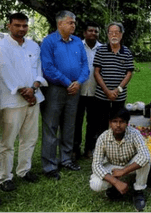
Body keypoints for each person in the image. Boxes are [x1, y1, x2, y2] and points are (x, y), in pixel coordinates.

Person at [0, 13, 48, 192]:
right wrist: (27, 93)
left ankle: (24, 170)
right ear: (9, 26)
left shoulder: (32, 45)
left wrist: (35, 87)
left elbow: (39, 68)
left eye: (24, 25)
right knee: (7, 142)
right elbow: (6, 74)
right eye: (17, 25)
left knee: (30, 138)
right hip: (12, 101)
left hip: (34, 97)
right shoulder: (1, 47)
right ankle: (4, 177)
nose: (21, 29)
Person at [40, 10, 89, 180]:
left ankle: (66, 159)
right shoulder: (49, 41)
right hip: (55, 89)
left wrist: (79, 82)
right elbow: (48, 68)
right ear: (59, 24)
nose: (73, 25)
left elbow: (85, 65)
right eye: (70, 22)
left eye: (74, 22)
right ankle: (50, 165)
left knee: (69, 125)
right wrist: (68, 82)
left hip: (75, 89)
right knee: (51, 126)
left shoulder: (77, 42)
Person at [90, 108, 151, 211]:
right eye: (114, 121)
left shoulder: (134, 134)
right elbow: (96, 165)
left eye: (122, 122)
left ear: (127, 123)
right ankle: (113, 188)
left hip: (129, 164)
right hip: (112, 166)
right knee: (95, 184)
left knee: (146, 159)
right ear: (110, 123)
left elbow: (145, 156)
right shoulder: (103, 138)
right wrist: (115, 181)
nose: (118, 125)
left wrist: (123, 171)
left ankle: (138, 191)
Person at [93, 22, 134, 132]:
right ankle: (100, 148)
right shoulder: (100, 51)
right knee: (100, 124)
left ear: (121, 34)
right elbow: (96, 72)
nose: (114, 35)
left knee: (118, 124)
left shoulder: (127, 52)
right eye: (111, 33)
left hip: (119, 96)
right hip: (102, 95)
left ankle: (117, 148)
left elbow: (129, 73)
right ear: (107, 35)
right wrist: (107, 91)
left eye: (116, 33)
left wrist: (118, 90)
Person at [73, 22, 102, 161]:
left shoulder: (102, 49)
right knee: (76, 122)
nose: (93, 33)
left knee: (93, 123)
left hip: (96, 92)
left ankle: (89, 149)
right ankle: (75, 149)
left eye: (96, 31)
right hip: (78, 91)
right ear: (84, 33)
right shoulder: (77, 46)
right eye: (90, 31)